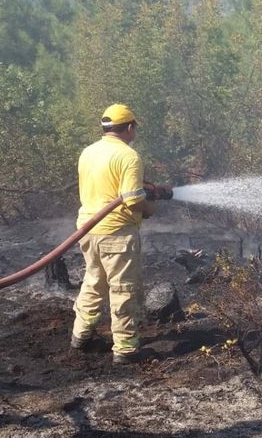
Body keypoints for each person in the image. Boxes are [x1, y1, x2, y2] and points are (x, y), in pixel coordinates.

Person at [71, 103, 157, 365]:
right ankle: (126, 348)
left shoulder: (88, 152)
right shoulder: (129, 156)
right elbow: (132, 201)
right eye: (135, 128)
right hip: (117, 233)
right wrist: (149, 209)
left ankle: (80, 335)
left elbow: (107, 184)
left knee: (94, 282)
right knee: (123, 290)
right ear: (129, 127)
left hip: (87, 230)